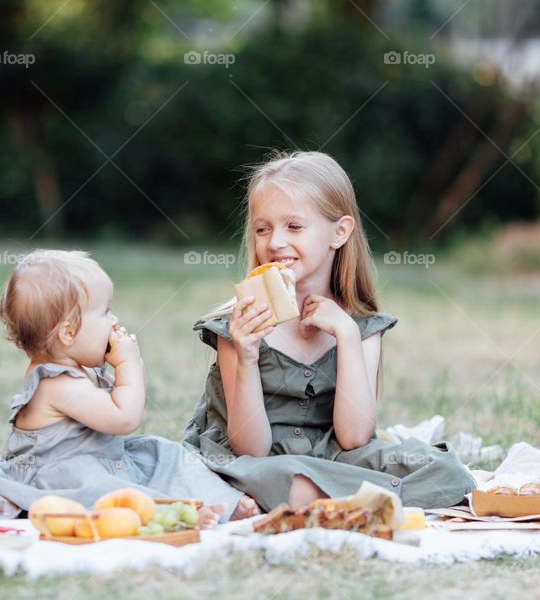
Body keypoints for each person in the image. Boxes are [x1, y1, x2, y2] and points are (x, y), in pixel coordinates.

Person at [184, 151, 476, 511]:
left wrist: (347, 338)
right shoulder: (241, 325)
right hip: (256, 462)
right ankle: (343, 499)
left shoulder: (361, 328)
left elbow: (354, 438)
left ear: (339, 232)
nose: (275, 242)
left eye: (293, 227)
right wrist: (246, 356)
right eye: (263, 229)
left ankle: (290, 501)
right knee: (271, 478)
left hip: (335, 458)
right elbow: (250, 449)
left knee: (448, 473)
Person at [0, 249, 259, 526]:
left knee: (164, 454)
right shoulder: (55, 384)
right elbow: (124, 418)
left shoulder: (79, 367)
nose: (114, 320)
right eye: (105, 313)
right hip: (62, 475)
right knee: (108, 491)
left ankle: (225, 501)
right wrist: (128, 362)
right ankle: (176, 516)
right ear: (68, 332)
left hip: (104, 459)